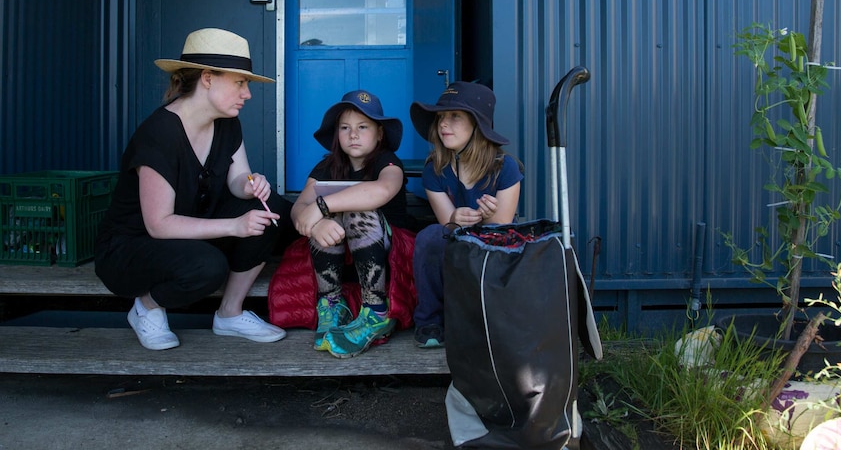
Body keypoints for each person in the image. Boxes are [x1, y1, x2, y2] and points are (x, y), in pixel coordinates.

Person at [95, 28, 297, 351]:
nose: (247, 94)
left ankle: (230, 313)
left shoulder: (227, 122)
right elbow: (158, 224)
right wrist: (234, 226)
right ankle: (146, 307)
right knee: (208, 266)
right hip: (133, 246)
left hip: (190, 226)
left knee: (271, 209)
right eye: (240, 83)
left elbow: (237, 178)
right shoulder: (159, 134)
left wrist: (251, 185)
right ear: (207, 78)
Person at [290, 90, 410, 358]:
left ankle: (376, 311)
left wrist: (322, 207)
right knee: (325, 217)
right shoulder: (327, 166)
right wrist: (315, 224)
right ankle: (332, 304)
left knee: (355, 209)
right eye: (345, 128)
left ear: (379, 133)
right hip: (340, 251)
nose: (353, 134)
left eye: (363, 127)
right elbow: (299, 209)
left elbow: (381, 191)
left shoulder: (387, 162)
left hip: (389, 253)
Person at [409, 81, 524, 348]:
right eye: (440, 117)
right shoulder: (435, 169)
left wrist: (488, 218)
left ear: (477, 124)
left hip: (494, 251)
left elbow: (503, 230)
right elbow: (445, 223)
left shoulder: (505, 168)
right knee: (429, 238)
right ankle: (430, 322)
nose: (443, 124)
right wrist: (456, 218)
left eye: (454, 116)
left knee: (499, 244)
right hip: (455, 244)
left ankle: (485, 321)